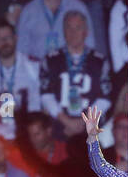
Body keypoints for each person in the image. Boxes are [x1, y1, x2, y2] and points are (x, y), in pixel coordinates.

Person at [39, 10, 112, 141]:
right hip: (60, 127)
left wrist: (84, 122)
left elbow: (105, 98)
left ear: (86, 31)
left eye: (78, 28)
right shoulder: (50, 60)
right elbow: (46, 95)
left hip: (92, 129)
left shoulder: (99, 61)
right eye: (69, 28)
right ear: (63, 31)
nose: (73, 33)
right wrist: (67, 121)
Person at [16, 0, 95, 60]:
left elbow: (90, 42)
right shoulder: (29, 12)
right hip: (37, 69)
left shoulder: (78, 7)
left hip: (70, 67)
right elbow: (21, 50)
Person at [0, 20, 40, 140]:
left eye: (8, 37)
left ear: (16, 38)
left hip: (30, 137)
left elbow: (44, 105)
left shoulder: (34, 66)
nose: (5, 42)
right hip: (0, 137)